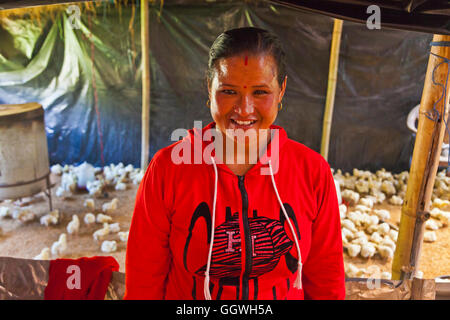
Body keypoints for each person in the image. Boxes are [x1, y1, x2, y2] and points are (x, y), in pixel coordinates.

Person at [124, 27, 345, 300]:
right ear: (209, 88)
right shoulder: (168, 169)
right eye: (229, 91)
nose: (244, 109)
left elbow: (327, 283)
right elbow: (143, 282)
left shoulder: (312, 172)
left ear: (281, 91)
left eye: (260, 92)